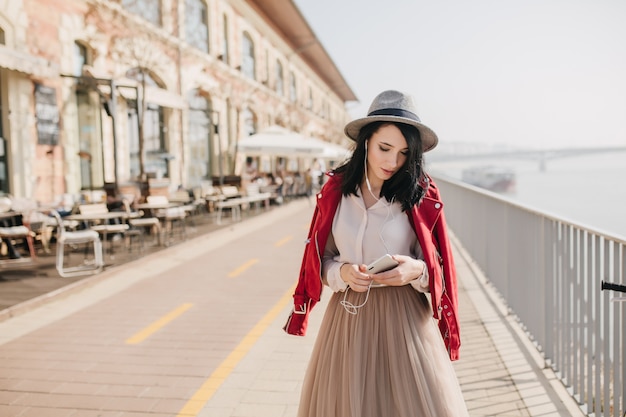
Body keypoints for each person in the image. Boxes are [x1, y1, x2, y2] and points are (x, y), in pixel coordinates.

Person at [284, 90, 469, 416]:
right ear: (366, 142)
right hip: (347, 318)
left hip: (406, 320)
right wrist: (341, 273)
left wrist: (415, 270)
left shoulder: (420, 196)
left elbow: (438, 270)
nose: (392, 162)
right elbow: (321, 260)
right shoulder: (335, 194)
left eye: (402, 153)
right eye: (385, 148)